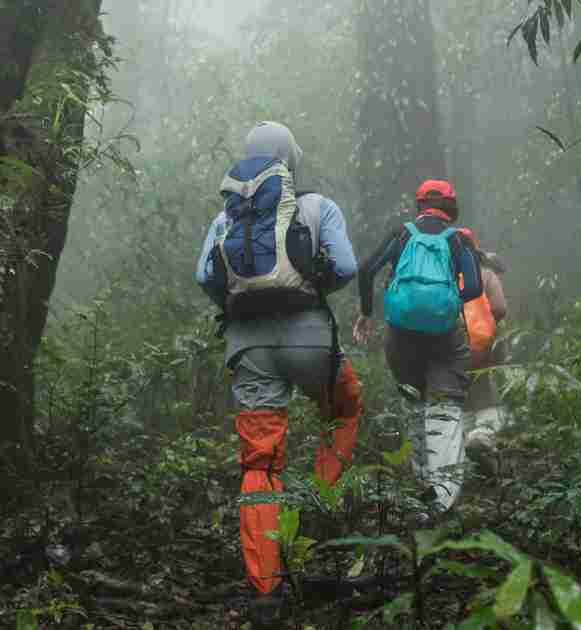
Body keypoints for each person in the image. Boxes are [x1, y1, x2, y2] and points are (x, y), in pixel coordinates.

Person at [195, 122, 362, 610]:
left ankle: (266, 589)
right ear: (292, 159)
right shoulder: (317, 207)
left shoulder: (225, 219)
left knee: (260, 462)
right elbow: (348, 267)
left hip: (249, 348)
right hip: (312, 342)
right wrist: (310, 287)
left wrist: (236, 303)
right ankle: (317, 508)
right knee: (345, 409)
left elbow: (204, 275)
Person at [352, 179, 482, 514]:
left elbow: (365, 270)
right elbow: (474, 287)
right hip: (445, 336)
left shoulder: (402, 233)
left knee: (414, 401)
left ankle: (420, 487)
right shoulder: (457, 240)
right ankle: (442, 497)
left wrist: (367, 313)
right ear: (450, 207)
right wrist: (449, 299)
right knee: (446, 405)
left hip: (401, 334)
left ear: (420, 205)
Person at [463, 246, 511, 455]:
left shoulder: (456, 276)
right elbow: (499, 309)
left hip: (451, 345)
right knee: (486, 392)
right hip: (481, 345)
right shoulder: (488, 276)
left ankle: (462, 445)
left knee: (462, 398)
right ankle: (481, 438)